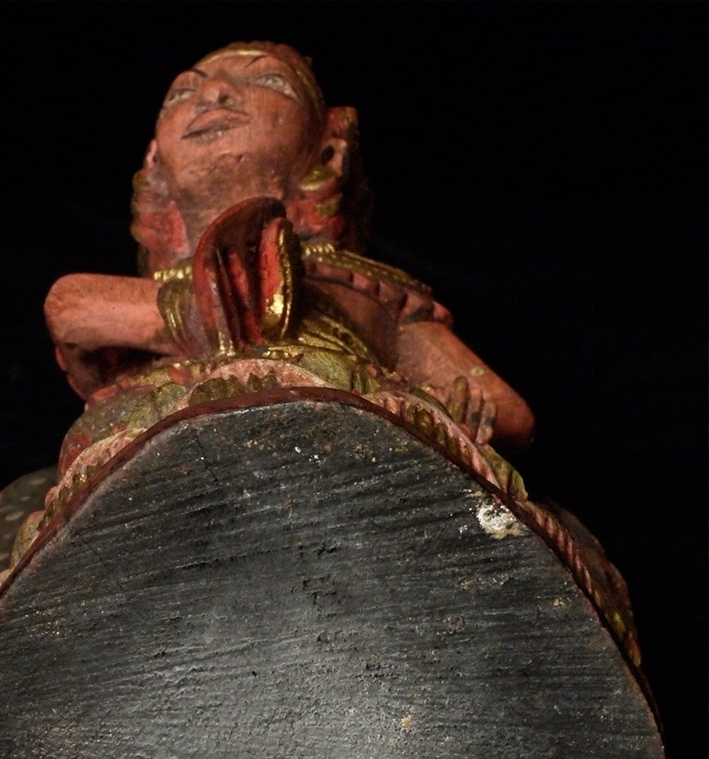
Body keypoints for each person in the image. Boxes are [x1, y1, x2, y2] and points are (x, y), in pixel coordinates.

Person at [44, 42, 534, 452]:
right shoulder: (103, 296)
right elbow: (70, 313)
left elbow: (510, 414)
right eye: (182, 93)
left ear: (329, 149)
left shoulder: (362, 289)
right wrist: (209, 309)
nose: (213, 94)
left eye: (269, 81)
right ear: (154, 158)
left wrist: (453, 409)